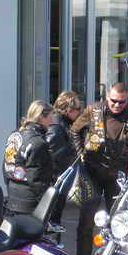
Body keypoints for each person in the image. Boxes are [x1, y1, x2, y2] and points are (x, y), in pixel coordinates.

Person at [71, 82, 128, 255]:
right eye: (114, 101)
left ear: (127, 100)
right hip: (91, 171)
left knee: (116, 220)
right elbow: (74, 131)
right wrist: (80, 153)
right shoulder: (94, 110)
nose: (117, 105)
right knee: (87, 217)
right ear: (107, 97)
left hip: (116, 174)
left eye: (122, 102)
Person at [3, 100, 54, 215]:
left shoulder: (14, 135)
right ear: (41, 117)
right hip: (29, 203)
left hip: (12, 198)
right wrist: (47, 202)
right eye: (50, 117)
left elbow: (6, 167)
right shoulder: (38, 142)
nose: (52, 121)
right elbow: (37, 179)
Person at [46, 90, 82, 225]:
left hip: (59, 182)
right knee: (52, 221)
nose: (80, 111)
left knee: (55, 219)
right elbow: (49, 158)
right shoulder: (56, 128)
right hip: (55, 184)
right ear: (68, 110)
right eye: (78, 108)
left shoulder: (63, 125)